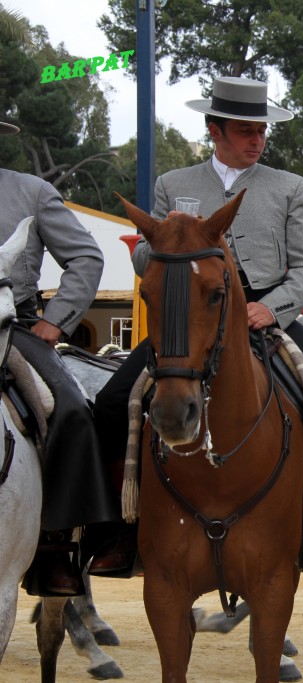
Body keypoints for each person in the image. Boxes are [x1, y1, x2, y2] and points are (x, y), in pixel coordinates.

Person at [90, 77, 303, 576]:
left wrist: (272, 308)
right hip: (190, 316)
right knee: (111, 404)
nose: (257, 140)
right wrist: (163, 239)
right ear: (214, 130)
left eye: (261, 131)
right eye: (244, 131)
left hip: (264, 313)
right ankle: (121, 528)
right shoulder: (174, 184)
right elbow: (147, 261)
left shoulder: (289, 187)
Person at [0, 119, 116, 595]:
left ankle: (53, 548)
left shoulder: (31, 191)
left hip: (11, 326)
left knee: (69, 409)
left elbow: (86, 257)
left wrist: (57, 320)